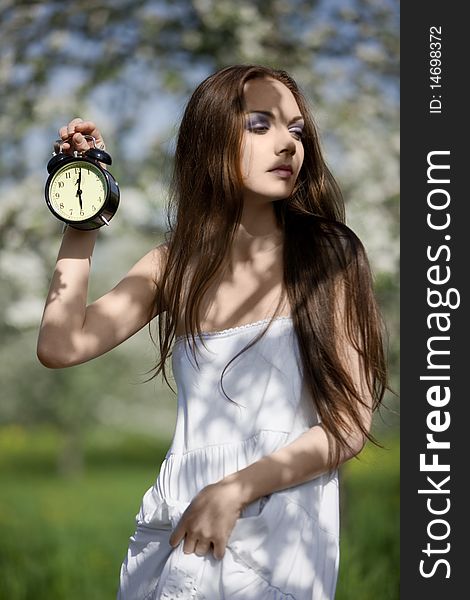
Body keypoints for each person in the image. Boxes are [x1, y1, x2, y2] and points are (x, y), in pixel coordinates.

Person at [37, 64, 387, 600]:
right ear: (210, 138)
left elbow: (347, 426)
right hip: (176, 526)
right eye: (260, 125)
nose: (288, 145)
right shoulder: (172, 265)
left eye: (296, 130)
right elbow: (61, 346)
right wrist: (82, 210)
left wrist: (234, 491)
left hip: (279, 530)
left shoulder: (328, 255)